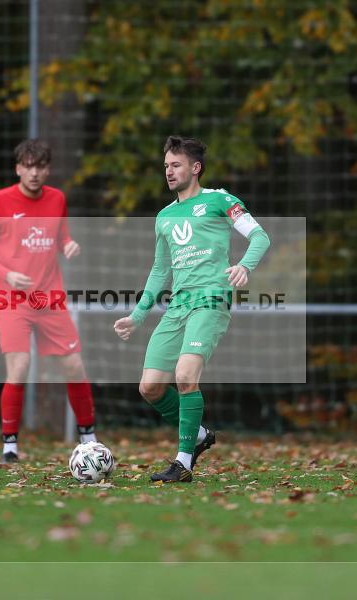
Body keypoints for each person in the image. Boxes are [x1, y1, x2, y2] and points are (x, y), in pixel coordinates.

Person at [113, 136, 270, 482]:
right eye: (166, 166)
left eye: (176, 165)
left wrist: (245, 265)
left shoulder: (219, 200)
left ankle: (183, 463)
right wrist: (137, 315)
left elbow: (260, 237)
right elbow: (160, 270)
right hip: (178, 305)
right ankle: (198, 436)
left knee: (185, 376)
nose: (169, 171)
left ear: (195, 168)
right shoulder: (165, 216)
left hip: (211, 300)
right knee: (149, 387)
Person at [0, 139, 97, 463]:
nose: (34, 172)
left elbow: (61, 237)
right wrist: (8, 275)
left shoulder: (57, 199)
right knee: (20, 367)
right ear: (18, 169)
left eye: (40, 166)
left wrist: (69, 245)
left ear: (48, 169)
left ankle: (89, 438)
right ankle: (10, 445)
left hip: (49, 297)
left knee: (74, 365)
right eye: (28, 166)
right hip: (13, 299)